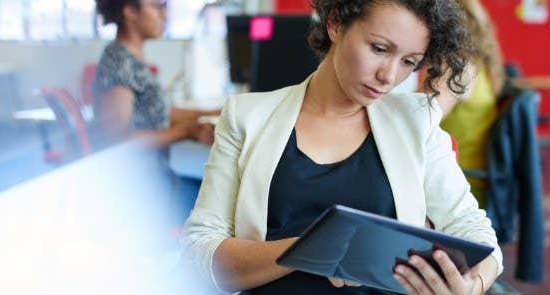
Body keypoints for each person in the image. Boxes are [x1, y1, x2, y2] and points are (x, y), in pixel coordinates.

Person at [183, 0, 503, 294]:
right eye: (379, 48)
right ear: (335, 24)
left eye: (409, 61)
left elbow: (477, 234)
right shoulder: (246, 117)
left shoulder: (417, 121)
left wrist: (472, 287)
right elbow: (202, 252)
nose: (388, 75)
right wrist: (314, 250)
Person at [93, 0, 216, 149]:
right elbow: (116, 139)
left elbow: (159, 112)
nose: (165, 15)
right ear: (130, 11)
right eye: (157, 7)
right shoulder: (119, 62)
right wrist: (185, 131)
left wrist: (214, 113)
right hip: (142, 172)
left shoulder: (131, 58)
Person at [434, 0, 506, 208]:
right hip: (475, 180)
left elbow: (420, 121)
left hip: (459, 184)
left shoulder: (460, 67)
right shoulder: (483, 64)